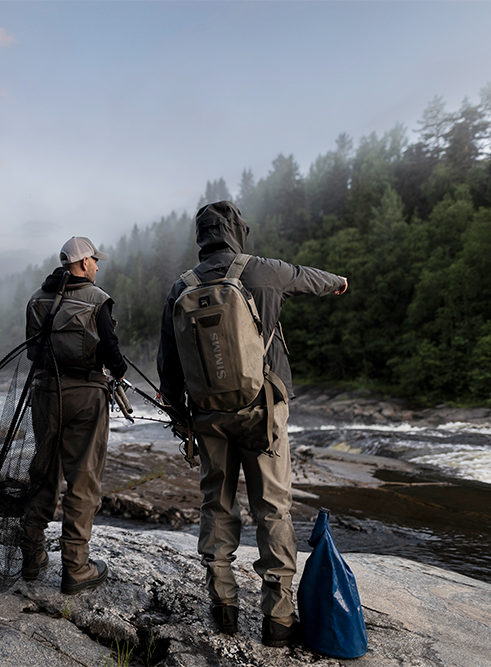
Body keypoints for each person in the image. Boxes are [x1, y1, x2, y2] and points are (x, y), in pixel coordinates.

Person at [157, 201, 347, 647]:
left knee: (217, 505)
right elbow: (308, 277)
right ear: (236, 232)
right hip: (263, 409)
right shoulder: (263, 270)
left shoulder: (180, 287)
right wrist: (339, 282)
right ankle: (277, 621)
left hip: (207, 415)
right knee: (272, 508)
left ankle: (223, 607)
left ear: (202, 237)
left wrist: (181, 417)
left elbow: (168, 363)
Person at [21, 236, 128, 594]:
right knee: (82, 480)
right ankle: (76, 568)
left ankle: (33, 557)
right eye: (94, 261)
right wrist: (120, 370)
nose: (97, 266)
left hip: (45, 394)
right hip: (86, 396)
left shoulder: (37, 300)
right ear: (82, 264)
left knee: (44, 472)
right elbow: (113, 355)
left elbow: (32, 352)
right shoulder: (98, 300)